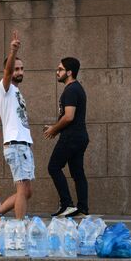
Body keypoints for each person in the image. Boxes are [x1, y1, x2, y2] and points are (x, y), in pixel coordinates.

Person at [0, 30, 34, 220]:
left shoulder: (17, 92)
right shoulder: (5, 88)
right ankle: (19, 229)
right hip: (16, 144)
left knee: (26, 191)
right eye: (17, 68)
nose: (20, 72)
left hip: (22, 145)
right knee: (22, 189)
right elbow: (7, 72)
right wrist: (13, 52)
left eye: (22, 69)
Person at [44, 57, 89, 217]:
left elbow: (69, 116)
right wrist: (55, 128)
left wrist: (54, 129)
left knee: (53, 167)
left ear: (69, 72)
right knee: (77, 172)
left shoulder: (71, 90)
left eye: (60, 69)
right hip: (80, 136)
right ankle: (82, 209)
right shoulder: (77, 89)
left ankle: (67, 204)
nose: (57, 72)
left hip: (71, 137)